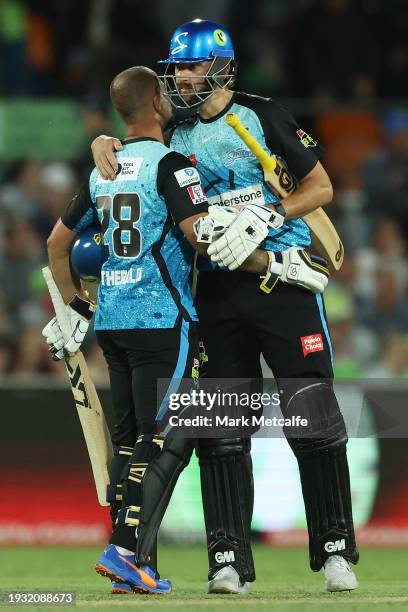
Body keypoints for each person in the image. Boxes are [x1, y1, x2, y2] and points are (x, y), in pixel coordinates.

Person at [91, 19, 358, 594]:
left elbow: (321, 187)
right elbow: (134, 143)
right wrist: (104, 142)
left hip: (282, 285)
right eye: (177, 68)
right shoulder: (176, 129)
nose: (181, 76)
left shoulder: (263, 114)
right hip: (211, 291)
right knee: (220, 432)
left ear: (221, 67)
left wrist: (271, 215)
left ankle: (336, 550)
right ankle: (227, 559)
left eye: (190, 66)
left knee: (313, 419)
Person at [42, 66, 211, 595]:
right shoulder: (171, 164)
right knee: (161, 439)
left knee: (128, 442)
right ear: (158, 103)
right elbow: (198, 235)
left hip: (112, 321)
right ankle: (123, 551)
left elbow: (55, 245)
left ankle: (133, 568)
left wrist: (75, 306)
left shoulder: (102, 168)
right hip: (163, 317)